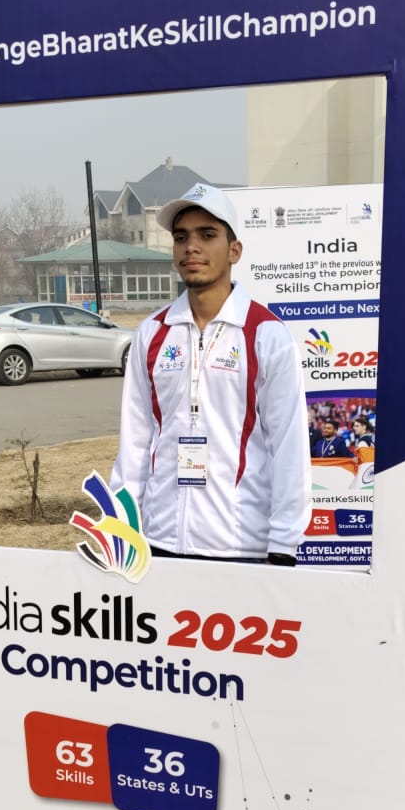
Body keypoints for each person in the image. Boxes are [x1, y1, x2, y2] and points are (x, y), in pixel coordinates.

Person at [113, 182, 310, 564]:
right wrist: (123, 528)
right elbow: (135, 441)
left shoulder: (266, 335)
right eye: (181, 237)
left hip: (239, 546)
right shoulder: (152, 333)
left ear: (234, 250)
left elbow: (289, 445)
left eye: (207, 235)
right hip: (159, 539)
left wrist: (284, 543)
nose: (191, 247)